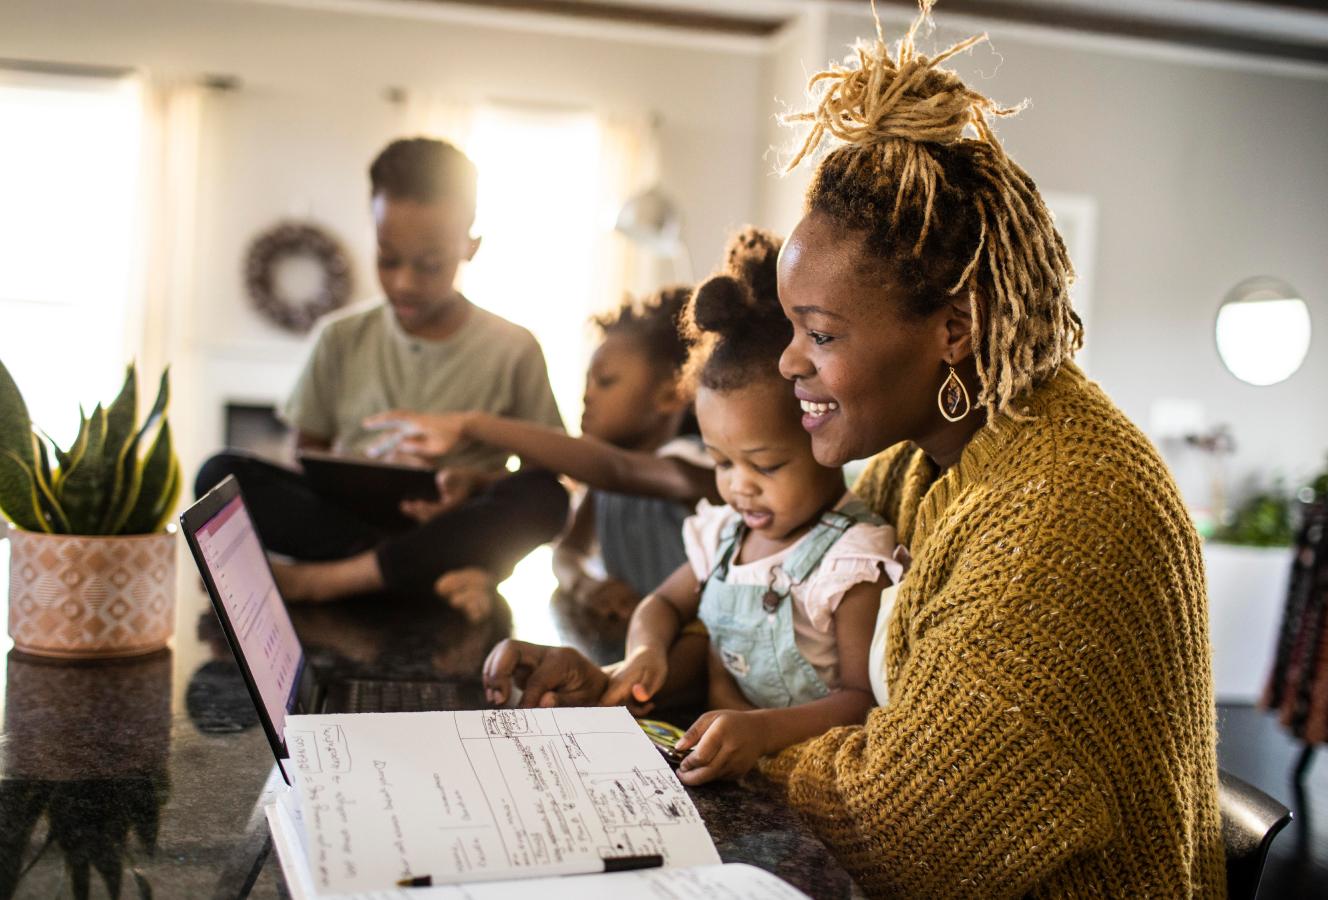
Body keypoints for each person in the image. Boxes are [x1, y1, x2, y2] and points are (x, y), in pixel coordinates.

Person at [481, 3, 1225, 896]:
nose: (790, 359)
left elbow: (908, 830)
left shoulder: (1065, 513)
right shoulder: (926, 464)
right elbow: (794, 662)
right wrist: (616, 692)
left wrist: (689, 737)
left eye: (820, 333)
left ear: (956, 328)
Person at [193, 137, 567, 617]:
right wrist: (358, 477)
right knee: (218, 475)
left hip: (458, 526)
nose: (405, 282)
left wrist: (471, 486)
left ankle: (329, 583)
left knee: (545, 497)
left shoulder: (515, 347)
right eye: (388, 259)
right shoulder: (339, 337)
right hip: (364, 532)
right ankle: (423, 575)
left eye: (430, 265)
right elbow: (306, 455)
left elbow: (545, 470)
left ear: (470, 246)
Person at [597, 227, 901, 786]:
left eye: (766, 466)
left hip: (802, 783)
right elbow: (661, 606)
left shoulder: (850, 561)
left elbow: (861, 701)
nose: (740, 488)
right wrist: (645, 652)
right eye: (722, 462)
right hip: (721, 767)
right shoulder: (724, 535)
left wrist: (760, 729)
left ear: (823, 437)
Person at [367, 286, 718, 621]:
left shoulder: (695, 464)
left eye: (606, 381)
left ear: (670, 396)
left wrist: (471, 425)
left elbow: (616, 469)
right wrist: (586, 587)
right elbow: (567, 550)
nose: (587, 395)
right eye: (587, 380)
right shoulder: (601, 485)